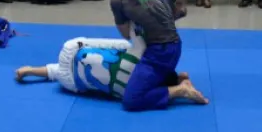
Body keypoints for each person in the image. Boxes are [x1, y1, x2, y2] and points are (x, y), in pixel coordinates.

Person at [105, 0, 208, 111]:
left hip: (158, 52)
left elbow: (126, 34)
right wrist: (160, 19)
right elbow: (182, 10)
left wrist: (143, 21)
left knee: (132, 99)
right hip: (175, 46)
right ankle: (176, 78)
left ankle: (180, 90)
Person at [14, 36, 188, 97]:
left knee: (116, 46)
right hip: (71, 83)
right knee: (62, 72)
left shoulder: (138, 55)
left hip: (72, 49)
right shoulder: (134, 91)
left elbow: (114, 44)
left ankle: (31, 69)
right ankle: (31, 70)